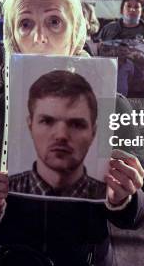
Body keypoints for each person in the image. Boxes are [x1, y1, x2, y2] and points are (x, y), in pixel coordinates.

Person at [0, 0, 144, 266]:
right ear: (13, 39)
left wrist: (125, 198)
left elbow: (143, 206)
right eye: (25, 23)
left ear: (76, 33)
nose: (39, 36)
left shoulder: (113, 104)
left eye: (54, 21)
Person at [9, 70, 107, 200]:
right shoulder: (4, 192)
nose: (61, 135)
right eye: (47, 121)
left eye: (76, 124)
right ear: (30, 126)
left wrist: (132, 200)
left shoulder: (113, 197)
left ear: (93, 132)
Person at [99, 0, 144, 98]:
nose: (132, 9)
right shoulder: (109, 29)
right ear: (122, 9)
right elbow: (95, 53)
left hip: (140, 90)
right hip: (111, 87)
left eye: (136, 7)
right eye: (128, 6)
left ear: (141, 11)